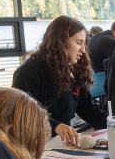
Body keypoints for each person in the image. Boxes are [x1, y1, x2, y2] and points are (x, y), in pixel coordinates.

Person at [13, 16, 107, 146]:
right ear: (61, 42)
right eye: (79, 43)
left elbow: (87, 108)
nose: (83, 50)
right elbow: (21, 114)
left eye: (84, 44)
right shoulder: (28, 72)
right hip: (35, 143)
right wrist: (56, 126)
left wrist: (114, 122)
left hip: (63, 144)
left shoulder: (74, 69)